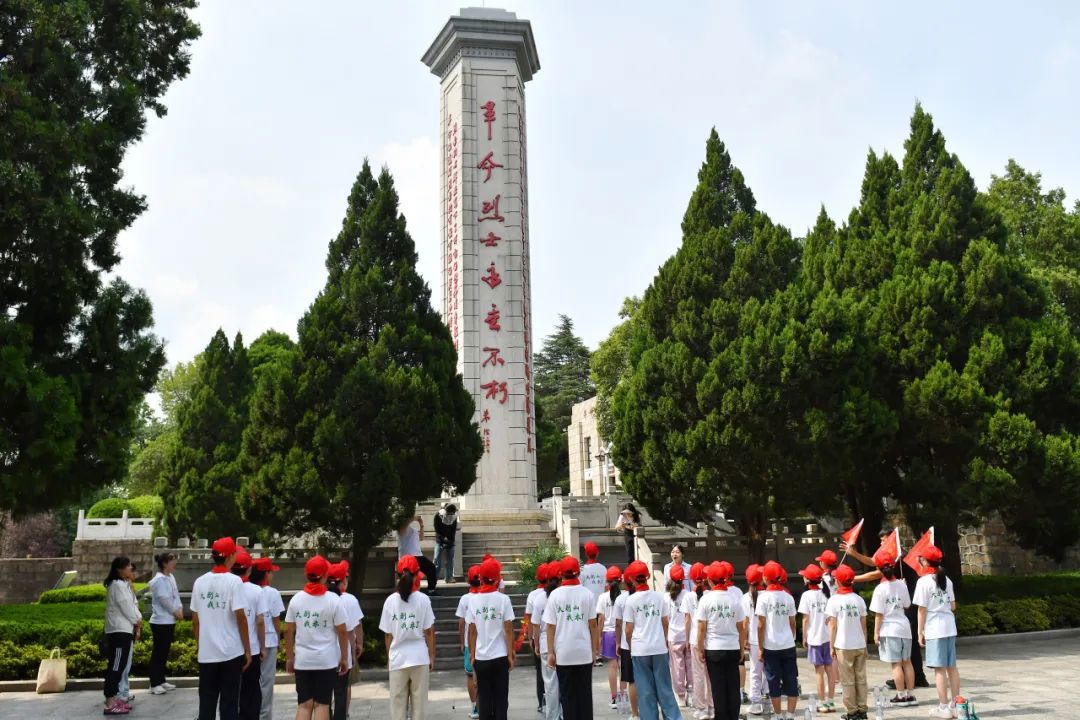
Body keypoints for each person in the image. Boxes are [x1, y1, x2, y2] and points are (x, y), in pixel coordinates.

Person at [841, 534, 929, 689]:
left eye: (884, 540)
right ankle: (913, 680)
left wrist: (850, 576)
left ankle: (912, 680)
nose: (882, 543)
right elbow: (876, 564)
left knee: (901, 657)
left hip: (906, 608)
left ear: (893, 539)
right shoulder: (895, 557)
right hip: (905, 607)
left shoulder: (898, 557)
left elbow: (876, 570)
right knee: (907, 654)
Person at [285, 555, 348, 720]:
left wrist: (290, 657)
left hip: (303, 660)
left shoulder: (296, 600)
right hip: (326, 660)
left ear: (306, 574)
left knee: (304, 705)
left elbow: (289, 630)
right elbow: (342, 631)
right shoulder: (333, 600)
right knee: (322, 704)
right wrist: (344, 657)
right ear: (325, 575)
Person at [624, 561, 683, 720]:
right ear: (648, 576)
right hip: (659, 648)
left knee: (645, 692)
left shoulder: (631, 600)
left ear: (631, 579)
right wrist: (664, 641)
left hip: (640, 649)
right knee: (665, 689)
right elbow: (665, 623)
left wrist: (631, 646)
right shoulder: (659, 597)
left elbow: (628, 630)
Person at [379, 555, 436, 720]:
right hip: (419, 658)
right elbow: (429, 631)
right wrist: (432, 656)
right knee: (420, 708)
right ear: (417, 575)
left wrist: (389, 657)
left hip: (398, 659)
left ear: (398, 575)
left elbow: (388, 635)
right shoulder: (423, 600)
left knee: (397, 709)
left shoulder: (390, 601)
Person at [543, 556, 598, 720]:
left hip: (563, 653)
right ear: (578, 573)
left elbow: (550, 626)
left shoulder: (554, 596)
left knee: (568, 697)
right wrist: (595, 650)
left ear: (561, 574)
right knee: (585, 695)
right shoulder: (587, 594)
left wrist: (550, 652)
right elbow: (593, 625)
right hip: (583, 652)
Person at [694, 562, 747, 720]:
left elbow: (701, 628)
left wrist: (700, 648)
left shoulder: (706, 599)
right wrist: (742, 649)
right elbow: (741, 627)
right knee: (733, 686)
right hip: (732, 648)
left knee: (718, 688)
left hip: (714, 649)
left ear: (709, 580)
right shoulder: (735, 599)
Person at [913, 546, 960, 720]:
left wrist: (920, 632)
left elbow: (921, 610)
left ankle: (943, 707)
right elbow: (953, 606)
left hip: (934, 628)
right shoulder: (947, 580)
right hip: (949, 626)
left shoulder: (923, 582)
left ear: (925, 561)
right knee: (952, 668)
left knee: (939, 669)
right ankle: (956, 705)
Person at [468, 557, 515, 720]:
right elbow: (508, 629)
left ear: (481, 578)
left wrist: (472, 654)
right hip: (500, 656)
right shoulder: (503, 600)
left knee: (485, 700)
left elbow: (472, 631)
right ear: (497, 579)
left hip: (481, 657)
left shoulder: (473, 601)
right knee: (501, 700)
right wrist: (510, 654)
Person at [868, 549, 915, 708]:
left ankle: (901, 695)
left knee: (896, 664)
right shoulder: (902, 584)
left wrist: (876, 633)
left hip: (889, 629)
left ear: (879, 569)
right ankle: (910, 695)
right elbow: (907, 605)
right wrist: (903, 586)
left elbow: (879, 614)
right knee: (907, 662)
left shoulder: (880, 589)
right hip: (904, 628)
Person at [755, 561, 797, 720]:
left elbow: (761, 625)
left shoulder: (763, 598)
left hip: (770, 645)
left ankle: (778, 715)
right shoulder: (788, 597)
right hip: (788, 645)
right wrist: (791, 638)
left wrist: (760, 647)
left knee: (773, 681)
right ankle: (790, 715)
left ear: (765, 578)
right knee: (791, 679)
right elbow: (792, 622)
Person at [824, 565, 868, 720]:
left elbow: (832, 626)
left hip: (843, 645)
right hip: (859, 644)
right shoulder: (859, 599)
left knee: (847, 680)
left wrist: (831, 646)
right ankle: (862, 710)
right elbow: (863, 624)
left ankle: (852, 711)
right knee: (861, 678)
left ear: (837, 581)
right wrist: (865, 643)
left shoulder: (834, 600)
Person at [103, 557, 141, 716]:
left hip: (124, 630)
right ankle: (110, 702)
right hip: (119, 631)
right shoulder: (117, 585)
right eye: (128, 566)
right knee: (116, 666)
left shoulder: (123, 584)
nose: (131, 568)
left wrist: (137, 620)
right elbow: (126, 607)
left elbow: (132, 605)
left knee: (119, 665)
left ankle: (115, 699)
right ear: (120, 569)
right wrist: (137, 620)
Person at [796, 563, 837, 714]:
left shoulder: (806, 596)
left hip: (814, 637)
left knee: (819, 671)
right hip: (828, 637)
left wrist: (804, 636)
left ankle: (822, 702)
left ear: (807, 580)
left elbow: (805, 619)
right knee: (830, 669)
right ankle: (831, 701)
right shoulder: (826, 594)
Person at [233, 549, 267, 720]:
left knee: (232, 692)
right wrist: (262, 646)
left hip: (230, 650)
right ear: (249, 570)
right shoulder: (256, 591)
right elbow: (260, 621)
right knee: (251, 690)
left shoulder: (228, 587)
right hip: (252, 649)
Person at [327, 562, 364, 720]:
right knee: (342, 690)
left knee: (324, 694)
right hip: (343, 654)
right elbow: (354, 628)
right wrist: (357, 646)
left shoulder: (321, 598)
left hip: (324, 654)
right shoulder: (350, 600)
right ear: (343, 581)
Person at [252, 556, 284, 720]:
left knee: (250, 681)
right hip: (269, 641)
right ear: (266, 573)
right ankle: (264, 715)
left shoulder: (248, 590)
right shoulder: (273, 593)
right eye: (271, 572)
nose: (272, 575)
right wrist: (278, 639)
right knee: (266, 682)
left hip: (251, 641)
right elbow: (276, 620)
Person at [148, 552, 183, 696]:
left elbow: (176, 595)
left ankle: (161, 680)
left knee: (164, 652)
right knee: (159, 652)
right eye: (172, 561)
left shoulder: (170, 577)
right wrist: (175, 611)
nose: (174, 564)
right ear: (164, 564)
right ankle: (154, 683)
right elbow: (164, 599)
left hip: (169, 620)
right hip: (160, 621)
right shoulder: (159, 580)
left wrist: (179, 608)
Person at [681, 562, 711, 720]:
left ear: (691, 578)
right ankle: (712, 706)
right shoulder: (710, 595)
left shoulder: (688, 596)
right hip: (709, 640)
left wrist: (686, 639)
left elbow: (687, 620)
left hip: (694, 639)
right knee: (710, 675)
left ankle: (701, 708)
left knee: (698, 675)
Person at [533, 562, 562, 720]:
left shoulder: (539, 599)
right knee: (564, 681)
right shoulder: (562, 597)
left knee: (550, 684)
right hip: (562, 642)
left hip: (545, 644)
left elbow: (535, 626)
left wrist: (536, 644)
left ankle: (553, 716)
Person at [525, 563, 552, 715]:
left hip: (540, 638)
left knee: (540, 672)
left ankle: (542, 702)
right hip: (553, 638)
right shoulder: (556, 592)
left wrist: (531, 638)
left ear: (537, 578)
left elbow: (530, 620)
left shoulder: (533, 595)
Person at [612, 570, 639, 719]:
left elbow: (618, 623)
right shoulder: (649, 597)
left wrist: (618, 642)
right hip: (645, 645)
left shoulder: (621, 599)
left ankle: (635, 714)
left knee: (632, 681)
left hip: (627, 645)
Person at [595, 565, 623, 710]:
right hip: (622, 632)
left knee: (612, 666)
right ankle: (624, 696)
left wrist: (598, 637)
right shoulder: (625, 596)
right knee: (623, 666)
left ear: (607, 581)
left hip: (608, 633)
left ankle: (614, 698)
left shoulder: (602, 597)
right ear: (621, 579)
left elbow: (600, 619)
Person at [457, 565, 482, 720]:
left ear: (468, 580)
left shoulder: (465, 599)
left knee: (470, 675)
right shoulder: (487, 597)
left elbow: (461, 622)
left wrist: (462, 641)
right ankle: (485, 705)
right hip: (485, 643)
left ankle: (475, 706)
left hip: (469, 643)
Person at [665, 565, 692, 708]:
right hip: (688, 635)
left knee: (677, 667)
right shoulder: (688, 595)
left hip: (674, 636)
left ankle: (681, 696)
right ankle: (691, 693)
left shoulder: (666, 596)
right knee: (690, 665)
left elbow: (666, 619)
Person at [742, 564, 766, 716]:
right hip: (768, 639)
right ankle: (769, 699)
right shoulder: (767, 595)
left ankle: (756, 702)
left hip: (754, 640)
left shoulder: (745, 598)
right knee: (768, 671)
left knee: (755, 671)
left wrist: (744, 639)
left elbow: (745, 622)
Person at [398, 515, 438, 594]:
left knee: (431, 568)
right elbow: (404, 527)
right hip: (409, 557)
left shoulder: (413, 529)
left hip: (417, 555)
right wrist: (413, 518)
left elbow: (421, 538)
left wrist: (421, 525)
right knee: (411, 575)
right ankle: (408, 590)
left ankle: (431, 590)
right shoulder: (402, 528)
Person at [434, 503, 459, 583]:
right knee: (437, 559)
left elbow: (453, 531)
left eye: (452, 514)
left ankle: (449, 577)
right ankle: (434, 577)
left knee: (450, 560)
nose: (450, 515)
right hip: (439, 540)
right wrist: (442, 541)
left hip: (450, 540)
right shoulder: (437, 516)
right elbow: (437, 530)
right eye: (449, 513)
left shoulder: (454, 518)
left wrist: (449, 542)